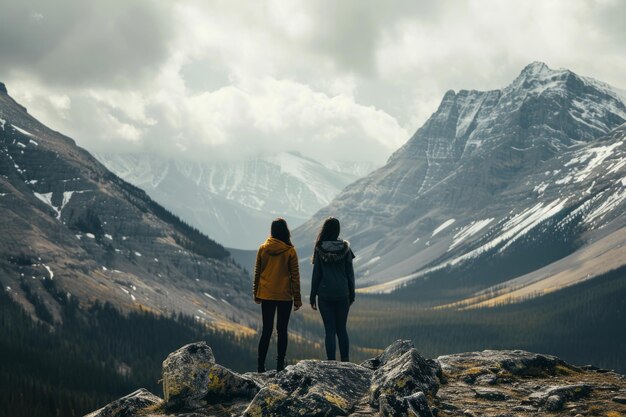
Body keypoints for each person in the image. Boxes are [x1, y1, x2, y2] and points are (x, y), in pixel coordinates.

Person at [253, 218, 302, 373]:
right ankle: (280, 366)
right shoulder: (290, 251)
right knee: (282, 330)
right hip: (284, 296)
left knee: (266, 331)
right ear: (286, 231)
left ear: (272, 231)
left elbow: (257, 272)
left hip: (266, 294)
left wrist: (256, 293)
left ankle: (260, 367)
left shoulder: (263, 248)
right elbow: (295, 276)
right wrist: (297, 299)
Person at [310, 217, 355, 362]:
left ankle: (331, 363)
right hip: (343, 293)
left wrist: (312, 296)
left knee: (329, 330)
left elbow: (316, 274)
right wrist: (352, 294)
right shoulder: (346, 248)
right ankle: (346, 362)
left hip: (324, 294)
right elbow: (350, 274)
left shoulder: (319, 248)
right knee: (341, 329)